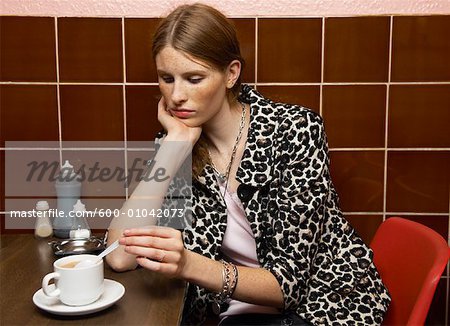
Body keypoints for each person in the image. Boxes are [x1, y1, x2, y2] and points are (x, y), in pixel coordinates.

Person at [106, 3, 391, 325]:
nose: (176, 96)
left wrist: (187, 264)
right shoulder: (175, 143)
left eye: (194, 78)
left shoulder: (295, 130)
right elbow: (119, 256)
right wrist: (172, 150)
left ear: (231, 74)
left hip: (326, 304)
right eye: (166, 78)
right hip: (243, 311)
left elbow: (288, 286)